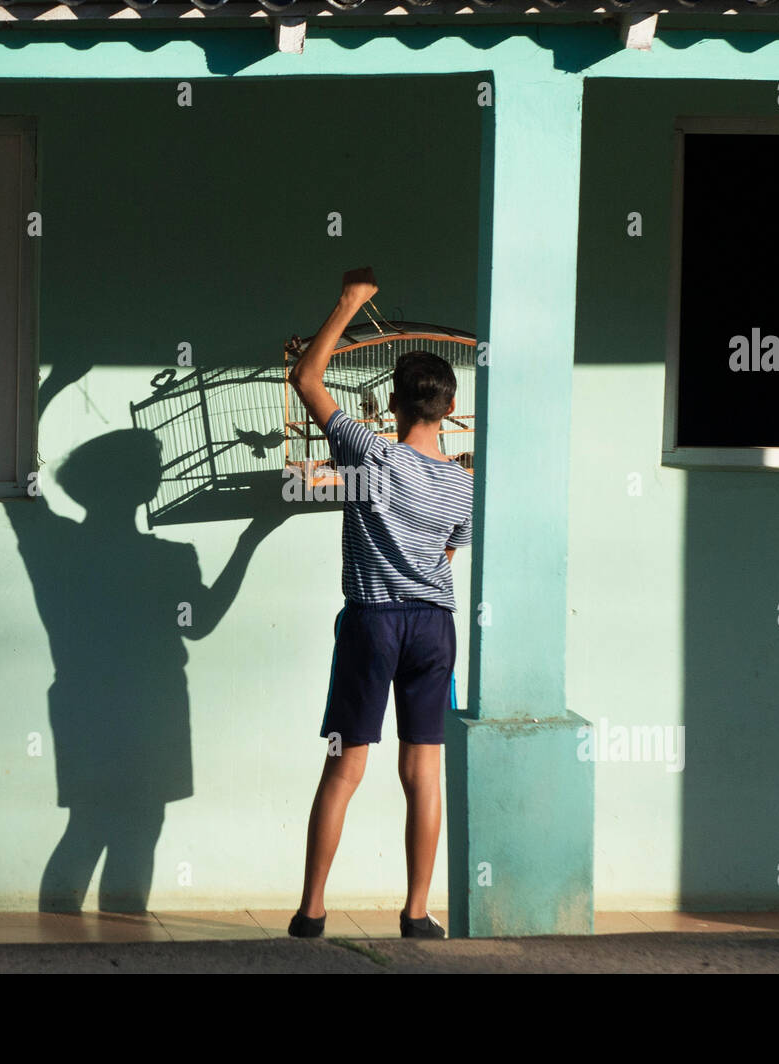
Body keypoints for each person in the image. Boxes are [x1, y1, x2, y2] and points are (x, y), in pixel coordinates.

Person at [286, 267, 474, 940]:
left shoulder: (373, 458)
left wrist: (348, 304)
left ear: (392, 406)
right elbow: (448, 555)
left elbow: (307, 378)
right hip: (435, 628)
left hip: (373, 622)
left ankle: (311, 912)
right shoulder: (462, 486)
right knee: (423, 769)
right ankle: (419, 913)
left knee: (345, 762)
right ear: (447, 410)